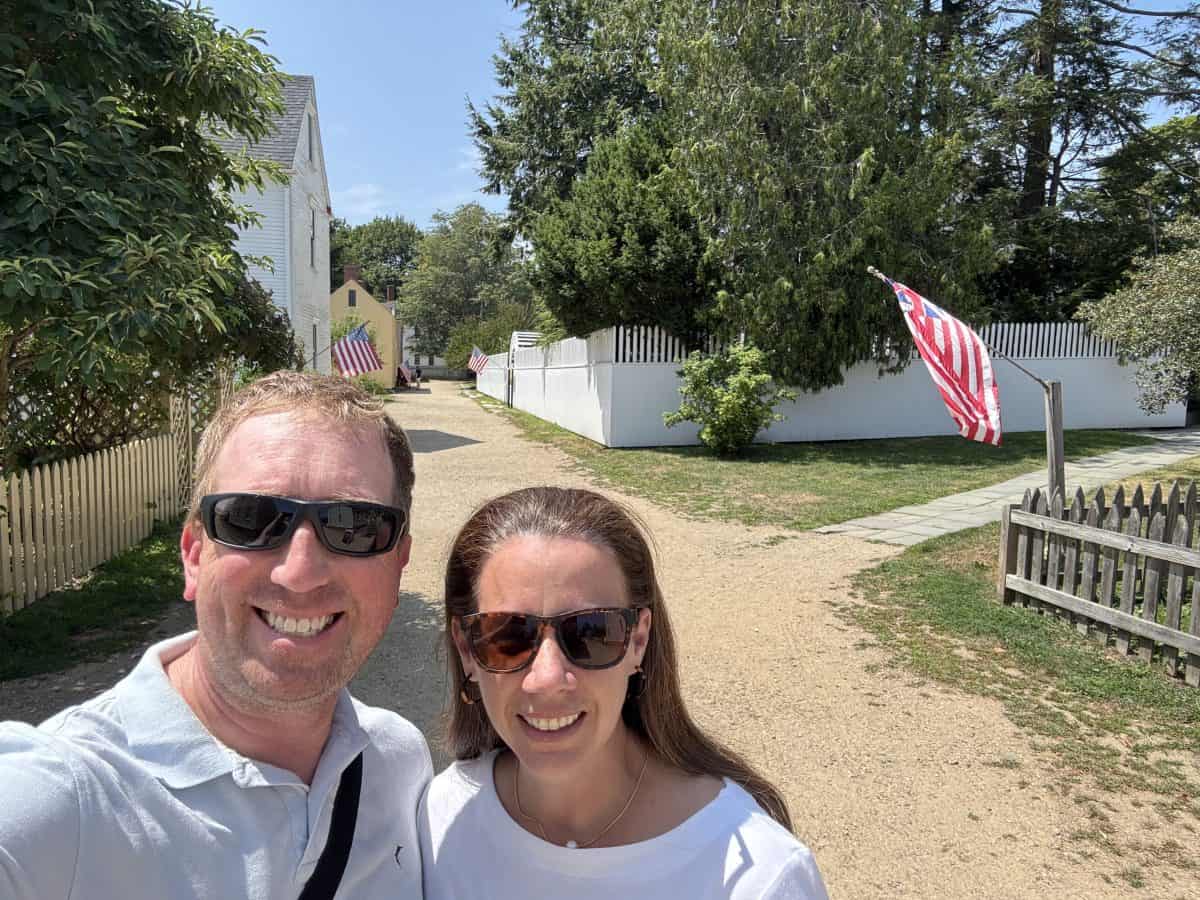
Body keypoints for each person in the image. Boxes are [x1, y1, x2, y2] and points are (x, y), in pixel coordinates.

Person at [0, 372, 432, 899]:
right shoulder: (62, 799)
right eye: (251, 519)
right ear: (193, 555)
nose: (299, 573)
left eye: (355, 527)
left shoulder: (400, 763)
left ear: (399, 564)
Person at [419, 486, 828, 899]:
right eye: (507, 636)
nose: (547, 677)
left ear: (639, 641)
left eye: (591, 632)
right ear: (466, 649)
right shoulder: (439, 821)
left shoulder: (761, 877)